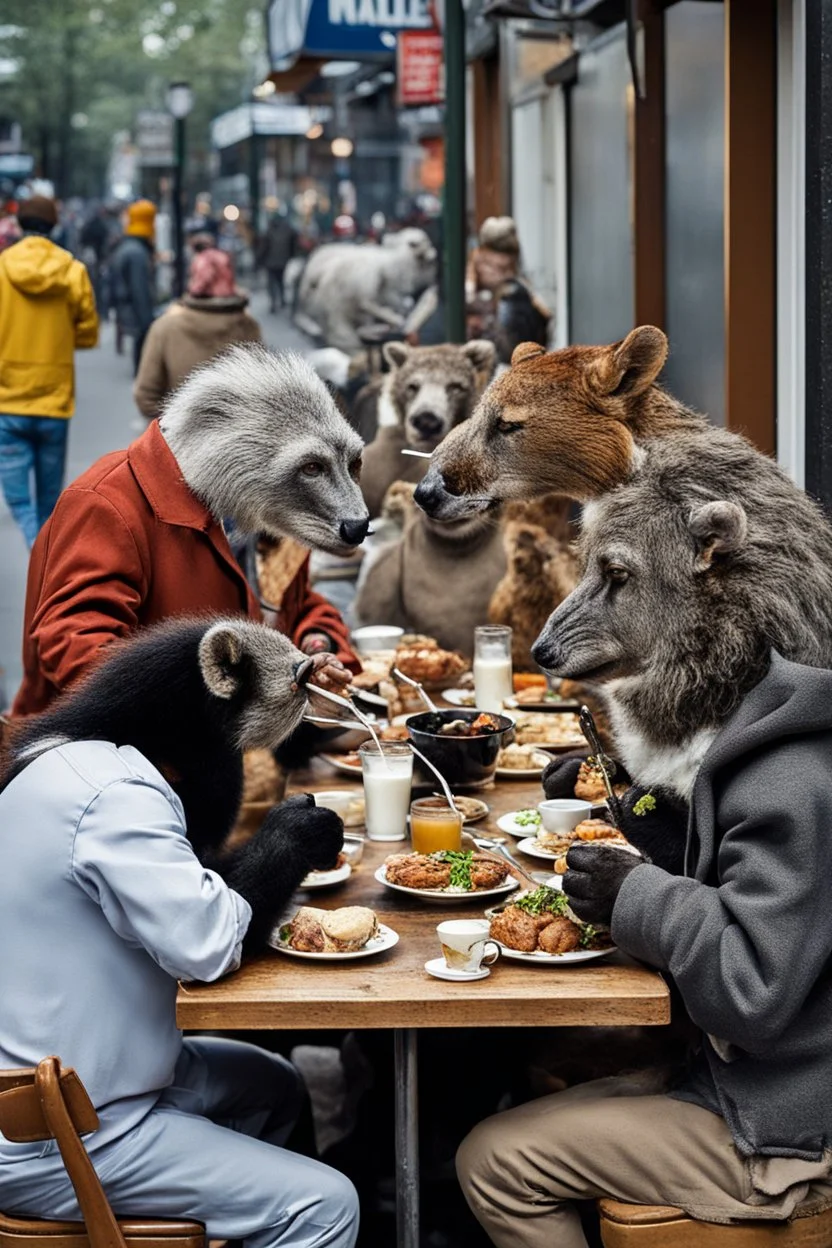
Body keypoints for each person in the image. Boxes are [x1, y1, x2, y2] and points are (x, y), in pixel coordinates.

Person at [0, 194, 98, 548]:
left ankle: (35, 546)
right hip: (54, 401)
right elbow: (87, 335)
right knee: (48, 501)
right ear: (54, 225)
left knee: (19, 500)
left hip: (7, 401)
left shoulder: (1, 268)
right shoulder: (72, 270)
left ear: (20, 224)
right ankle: (44, 551)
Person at [134, 232, 261, 420]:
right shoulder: (249, 326)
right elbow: (261, 393)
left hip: (178, 446)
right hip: (237, 445)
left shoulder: (166, 327)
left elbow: (145, 396)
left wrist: (182, 430)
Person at [110, 199, 156, 373]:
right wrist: (147, 320)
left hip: (127, 307)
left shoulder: (128, 247)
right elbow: (139, 290)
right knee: (141, 345)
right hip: (135, 311)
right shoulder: (137, 252)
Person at [257, 213, 297, 313]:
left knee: (272, 283)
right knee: (281, 282)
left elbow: (263, 248)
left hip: (271, 262)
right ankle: (282, 299)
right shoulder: (288, 231)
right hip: (284, 261)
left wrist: (259, 260)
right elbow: (293, 244)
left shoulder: (269, 232)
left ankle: (274, 302)